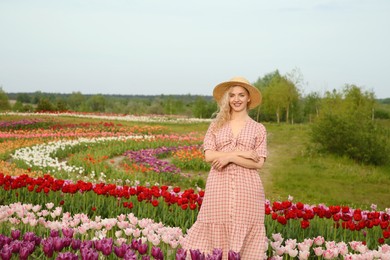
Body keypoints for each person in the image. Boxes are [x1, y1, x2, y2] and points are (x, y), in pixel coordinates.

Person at [181, 76, 268, 259]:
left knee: (245, 231)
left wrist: (230, 157)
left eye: (241, 95)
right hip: (218, 186)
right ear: (227, 99)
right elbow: (208, 155)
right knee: (213, 228)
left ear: (248, 98)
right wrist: (236, 154)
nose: (236, 99)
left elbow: (259, 162)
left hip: (248, 188)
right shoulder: (216, 126)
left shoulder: (258, 128)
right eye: (232, 95)